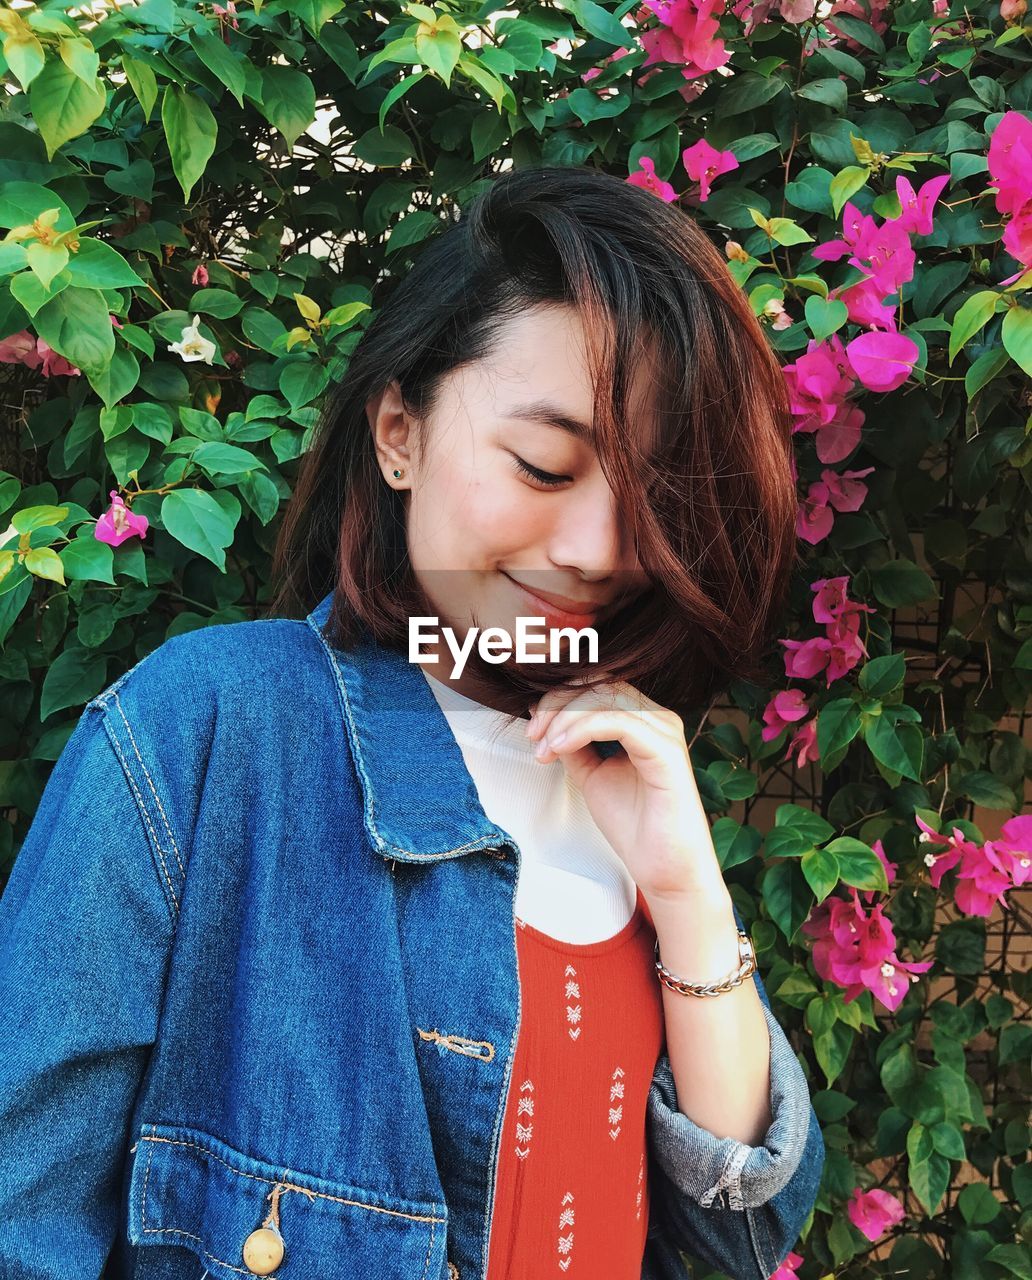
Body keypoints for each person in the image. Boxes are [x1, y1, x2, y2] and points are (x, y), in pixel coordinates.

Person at [0, 165, 823, 1280]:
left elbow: (740, 1227)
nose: (596, 546)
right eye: (544, 463)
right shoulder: (203, 734)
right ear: (399, 430)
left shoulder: (625, 774)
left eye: (651, 497)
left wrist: (686, 892)